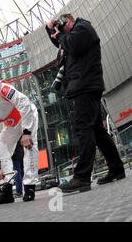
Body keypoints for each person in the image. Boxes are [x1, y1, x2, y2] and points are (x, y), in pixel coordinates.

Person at [45, 14, 125, 192]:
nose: (63, 29)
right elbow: (63, 44)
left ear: (70, 21)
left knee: (83, 128)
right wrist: (50, 30)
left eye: (63, 25)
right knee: (97, 131)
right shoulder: (74, 34)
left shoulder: (83, 28)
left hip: (85, 85)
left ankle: (82, 177)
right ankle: (117, 168)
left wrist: (59, 35)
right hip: (85, 85)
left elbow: (70, 43)